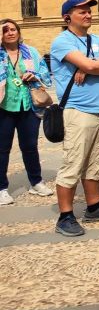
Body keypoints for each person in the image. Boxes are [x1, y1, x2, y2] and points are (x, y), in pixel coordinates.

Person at [51, 0, 99, 236]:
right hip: (79, 110)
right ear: (67, 17)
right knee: (73, 164)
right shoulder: (62, 41)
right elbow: (98, 67)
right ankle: (65, 216)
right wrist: (92, 66)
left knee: (97, 164)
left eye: (89, 11)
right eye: (81, 12)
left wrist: (91, 64)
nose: (88, 15)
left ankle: (94, 207)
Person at [0, 19, 53, 205]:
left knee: (30, 146)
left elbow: (45, 73)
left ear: (19, 31)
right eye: (5, 30)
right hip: (4, 106)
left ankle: (36, 182)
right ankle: (1, 188)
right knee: (2, 148)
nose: (10, 33)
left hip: (28, 105)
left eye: (13, 29)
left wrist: (35, 75)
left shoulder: (30, 52)